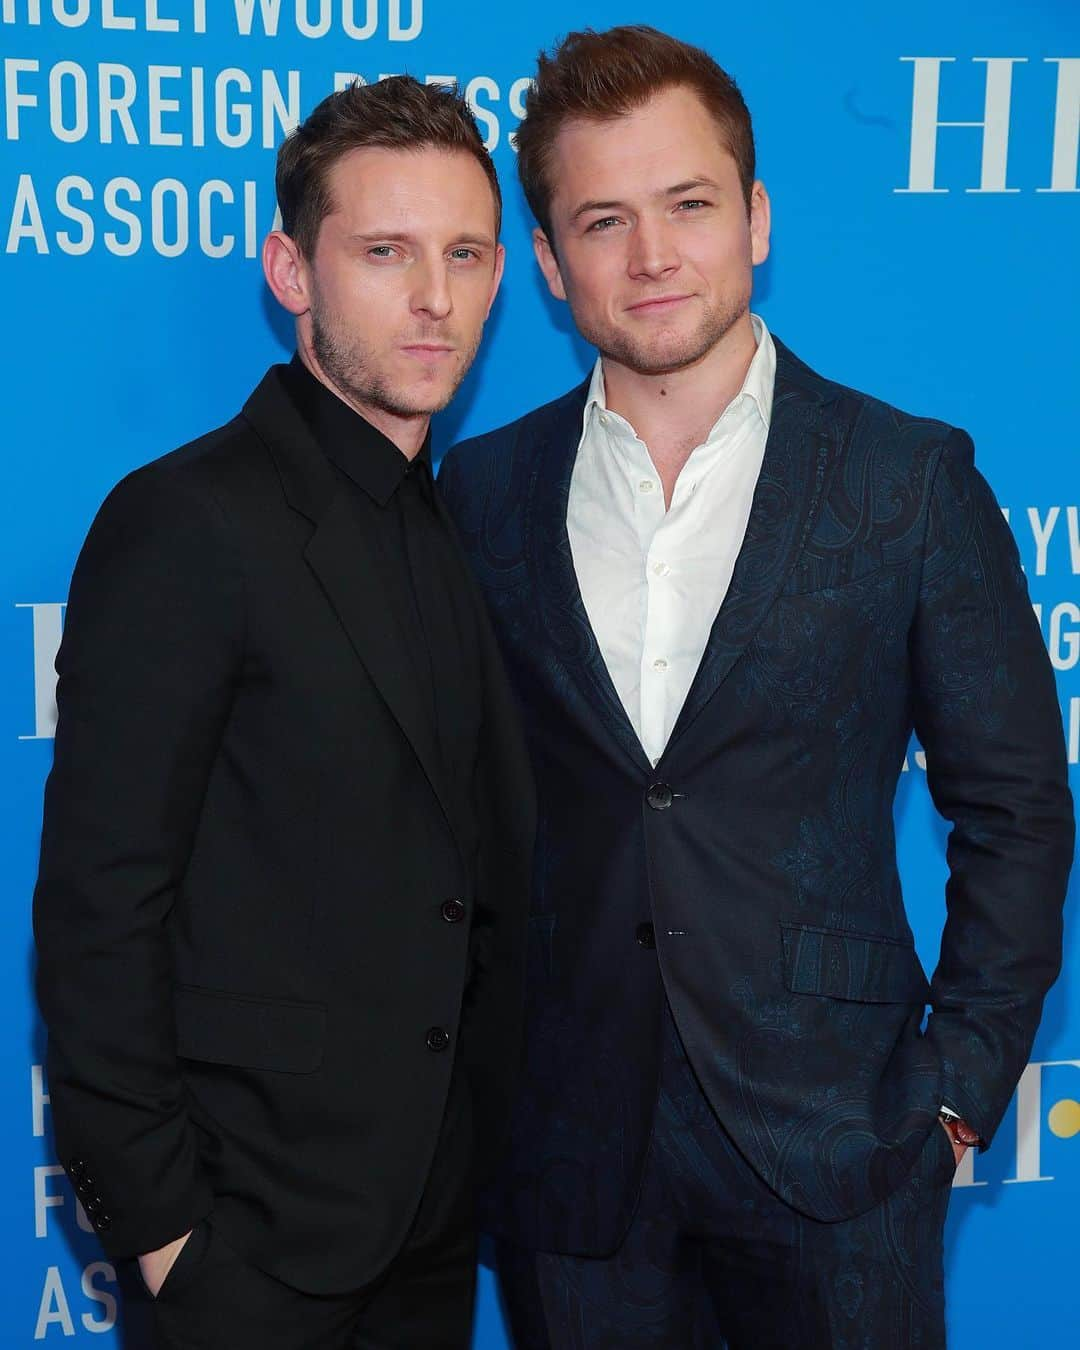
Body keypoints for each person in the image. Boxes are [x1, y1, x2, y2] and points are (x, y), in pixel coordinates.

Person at [438, 26, 1074, 1349]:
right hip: (571, 1150)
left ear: (757, 219)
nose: (653, 255)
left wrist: (954, 1090)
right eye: (603, 219)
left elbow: (1016, 803)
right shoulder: (481, 494)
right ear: (551, 264)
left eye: (688, 205)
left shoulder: (905, 482)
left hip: (843, 1145)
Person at [33, 75, 533, 1350]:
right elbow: (101, 910)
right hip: (249, 1254)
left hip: (429, 1234)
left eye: (465, 255)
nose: (435, 297)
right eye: (385, 252)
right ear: (291, 272)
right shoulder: (187, 522)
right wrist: (168, 1246)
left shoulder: (461, 519)